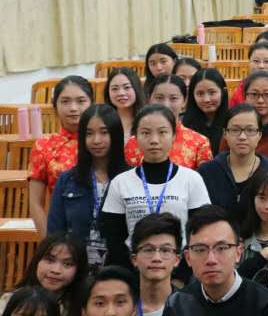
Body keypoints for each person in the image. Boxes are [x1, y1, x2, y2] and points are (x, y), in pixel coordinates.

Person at [100, 104, 212, 267]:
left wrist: (181, 274)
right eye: (145, 133)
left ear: (174, 135)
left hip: (180, 268)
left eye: (162, 132)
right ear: (135, 136)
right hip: (133, 268)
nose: (154, 140)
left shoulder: (191, 179)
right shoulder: (120, 182)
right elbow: (114, 238)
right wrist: (133, 272)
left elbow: (201, 232)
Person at [46, 105, 129, 269]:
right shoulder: (67, 180)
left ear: (116, 134)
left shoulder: (131, 179)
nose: (96, 140)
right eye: (89, 134)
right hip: (76, 268)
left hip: (120, 269)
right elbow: (55, 233)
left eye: (104, 132)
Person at [27, 76, 94, 235]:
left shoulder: (103, 141)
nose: (73, 108)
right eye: (65, 101)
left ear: (91, 103)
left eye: (81, 101)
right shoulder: (44, 146)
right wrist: (50, 242)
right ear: (55, 105)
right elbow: (35, 203)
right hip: (62, 231)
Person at [2, 233, 88, 316]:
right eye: (50, 260)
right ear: (37, 261)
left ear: (78, 271)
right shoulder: (10, 299)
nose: (56, 270)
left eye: (67, 264)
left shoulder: (82, 308)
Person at [198, 104, 268, 222]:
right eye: (235, 130)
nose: (242, 137)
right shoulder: (206, 172)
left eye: (250, 130)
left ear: (259, 135)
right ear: (225, 133)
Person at [123, 75, 214, 168]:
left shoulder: (199, 143)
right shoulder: (134, 142)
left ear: (184, 101)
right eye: (159, 98)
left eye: (173, 98)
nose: (166, 105)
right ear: (149, 99)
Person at [128, 212, 182, 316]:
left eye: (165, 250)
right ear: (134, 259)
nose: (156, 258)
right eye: (148, 250)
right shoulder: (121, 309)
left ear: (177, 260)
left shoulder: (190, 309)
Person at [183, 68, 229, 153]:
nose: (206, 99)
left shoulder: (232, 122)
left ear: (223, 92)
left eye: (212, 93)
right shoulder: (184, 125)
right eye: (200, 94)